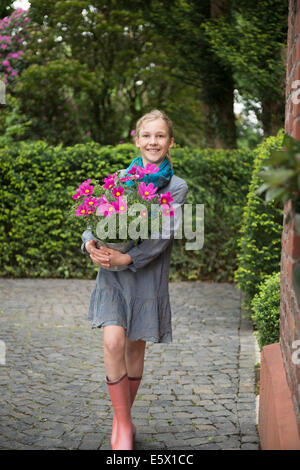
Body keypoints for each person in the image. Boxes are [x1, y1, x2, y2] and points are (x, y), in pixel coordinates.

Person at [81, 109, 188, 450]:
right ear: (137, 139)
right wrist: (89, 243)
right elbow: (92, 219)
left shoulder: (177, 187)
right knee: (112, 342)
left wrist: (128, 257)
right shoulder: (120, 179)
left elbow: (164, 235)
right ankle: (124, 424)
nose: (153, 142)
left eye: (160, 136)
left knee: (134, 346)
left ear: (170, 143)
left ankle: (121, 419)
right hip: (111, 274)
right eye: (147, 135)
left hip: (145, 275)